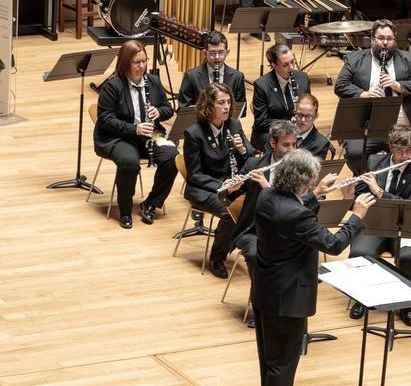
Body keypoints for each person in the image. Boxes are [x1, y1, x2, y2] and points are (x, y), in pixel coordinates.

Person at [252, 150, 373, 386]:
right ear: (301, 183)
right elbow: (332, 244)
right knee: (283, 360)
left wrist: (318, 194)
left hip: (266, 289)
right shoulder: (296, 213)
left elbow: (293, 209)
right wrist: (355, 216)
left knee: (269, 357)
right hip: (288, 297)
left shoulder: (266, 196)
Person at [346, 126, 411, 326]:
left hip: (407, 227)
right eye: (400, 150)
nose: (405, 155)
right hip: (376, 223)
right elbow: (361, 192)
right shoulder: (374, 162)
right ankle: (361, 296)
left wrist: (379, 192)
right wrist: (350, 194)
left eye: (409, 150)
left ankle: (407, 304)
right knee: (359, 252)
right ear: (390, 147)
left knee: (409, 256)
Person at [92, 39, 178, 229]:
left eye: (144, 61)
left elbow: (168, 109)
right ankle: (125, 210)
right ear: (125, 63)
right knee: (129, 162)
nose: (142, 66)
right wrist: (134, 129)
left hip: (150, 133)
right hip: (119, 136)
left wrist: (159, 112)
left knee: (173, 157)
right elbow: (106, 119)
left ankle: (151, 203)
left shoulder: (153, 81)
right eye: (136, 62)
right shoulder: (113, 86)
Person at [334, 19, 411, 171]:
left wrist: (397, 85)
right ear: (372, 40)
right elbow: (340, 86)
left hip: (401, 126)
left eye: (389, 39)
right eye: (381, 38)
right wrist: (365, 94)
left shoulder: (408, 60)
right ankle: (364, 181)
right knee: (355, 153)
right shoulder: (354, 59)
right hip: (366, 125)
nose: (385, 43)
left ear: (395, 40)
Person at [183, 83, 254, 279]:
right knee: (228, 212)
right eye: (221, 103)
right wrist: (223, 186)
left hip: (231, 184)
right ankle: (217, 257)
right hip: (203, 188)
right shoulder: (194, 133)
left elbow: (250, 157)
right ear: (208, 106)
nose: (227, 107)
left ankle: (241, 244)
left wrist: (241, 149)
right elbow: (195, 174)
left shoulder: (234, 125)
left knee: (256, 201)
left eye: (229, 102)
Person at [227, 119, 299, 279]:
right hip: (254, 231)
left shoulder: (299, 170)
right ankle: (261, 299)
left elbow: (300, 205)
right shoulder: (254, 164)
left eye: (294, 145)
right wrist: (231, 190)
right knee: (254, 255)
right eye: (286, 145)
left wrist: (267, 188)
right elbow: (227, 199)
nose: (292, 150)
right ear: (273, 143)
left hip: (286, 230)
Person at [251, 43, 310, 151]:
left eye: (292, 61)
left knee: (321, 144)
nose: (291, 67)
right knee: (288, 147)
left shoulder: (303, 78)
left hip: (299, 128)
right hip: (271, 132)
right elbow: (261, 122)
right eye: (285, 65)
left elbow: (309, 106)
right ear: (274, 65)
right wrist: (287, 124)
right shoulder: (262, 85)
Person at [179, 31, 246, 107]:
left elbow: (241, 110)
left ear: (227, 52)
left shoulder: (237, 77)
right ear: (205, 53)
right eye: (212, 53)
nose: (217, 57)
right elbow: (184, 108)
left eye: (221, 52)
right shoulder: (191, 76)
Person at [292, 93, 333, 159]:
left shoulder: (321, 144)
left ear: (315, 117)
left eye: (308, 116)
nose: (303, 120)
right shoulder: (281, 132)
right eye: (300, 114)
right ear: (295, 112)